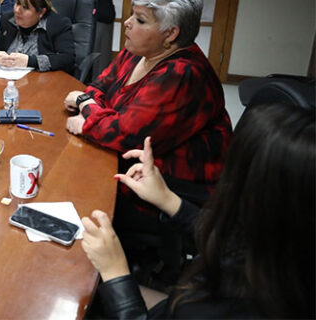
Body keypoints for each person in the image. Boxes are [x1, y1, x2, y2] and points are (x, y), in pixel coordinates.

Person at [81, 104, 315, 318]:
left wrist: (115, 272)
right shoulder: (285, 255)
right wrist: (166, 198)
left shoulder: (223, 306)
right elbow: (227, 241)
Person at [64, 0, 231, 282]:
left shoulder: (183, 73)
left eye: (140, 20)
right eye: (132, 15)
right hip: (127, 162)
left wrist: (86, 108)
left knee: (74, 194)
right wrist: (91, 105)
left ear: (171, 34)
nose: (127, 23)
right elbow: (99, 86)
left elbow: (124, 134)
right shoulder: (136, 52)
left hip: (167, 186)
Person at [0, 0, 74, 73]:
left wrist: (29, 61)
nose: (17, 10)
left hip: (43, 81)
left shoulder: (58, 24)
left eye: (25, 7)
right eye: (17, 3)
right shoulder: (8, 20)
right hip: (8, 79)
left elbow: (67, 58)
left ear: (41, 12)